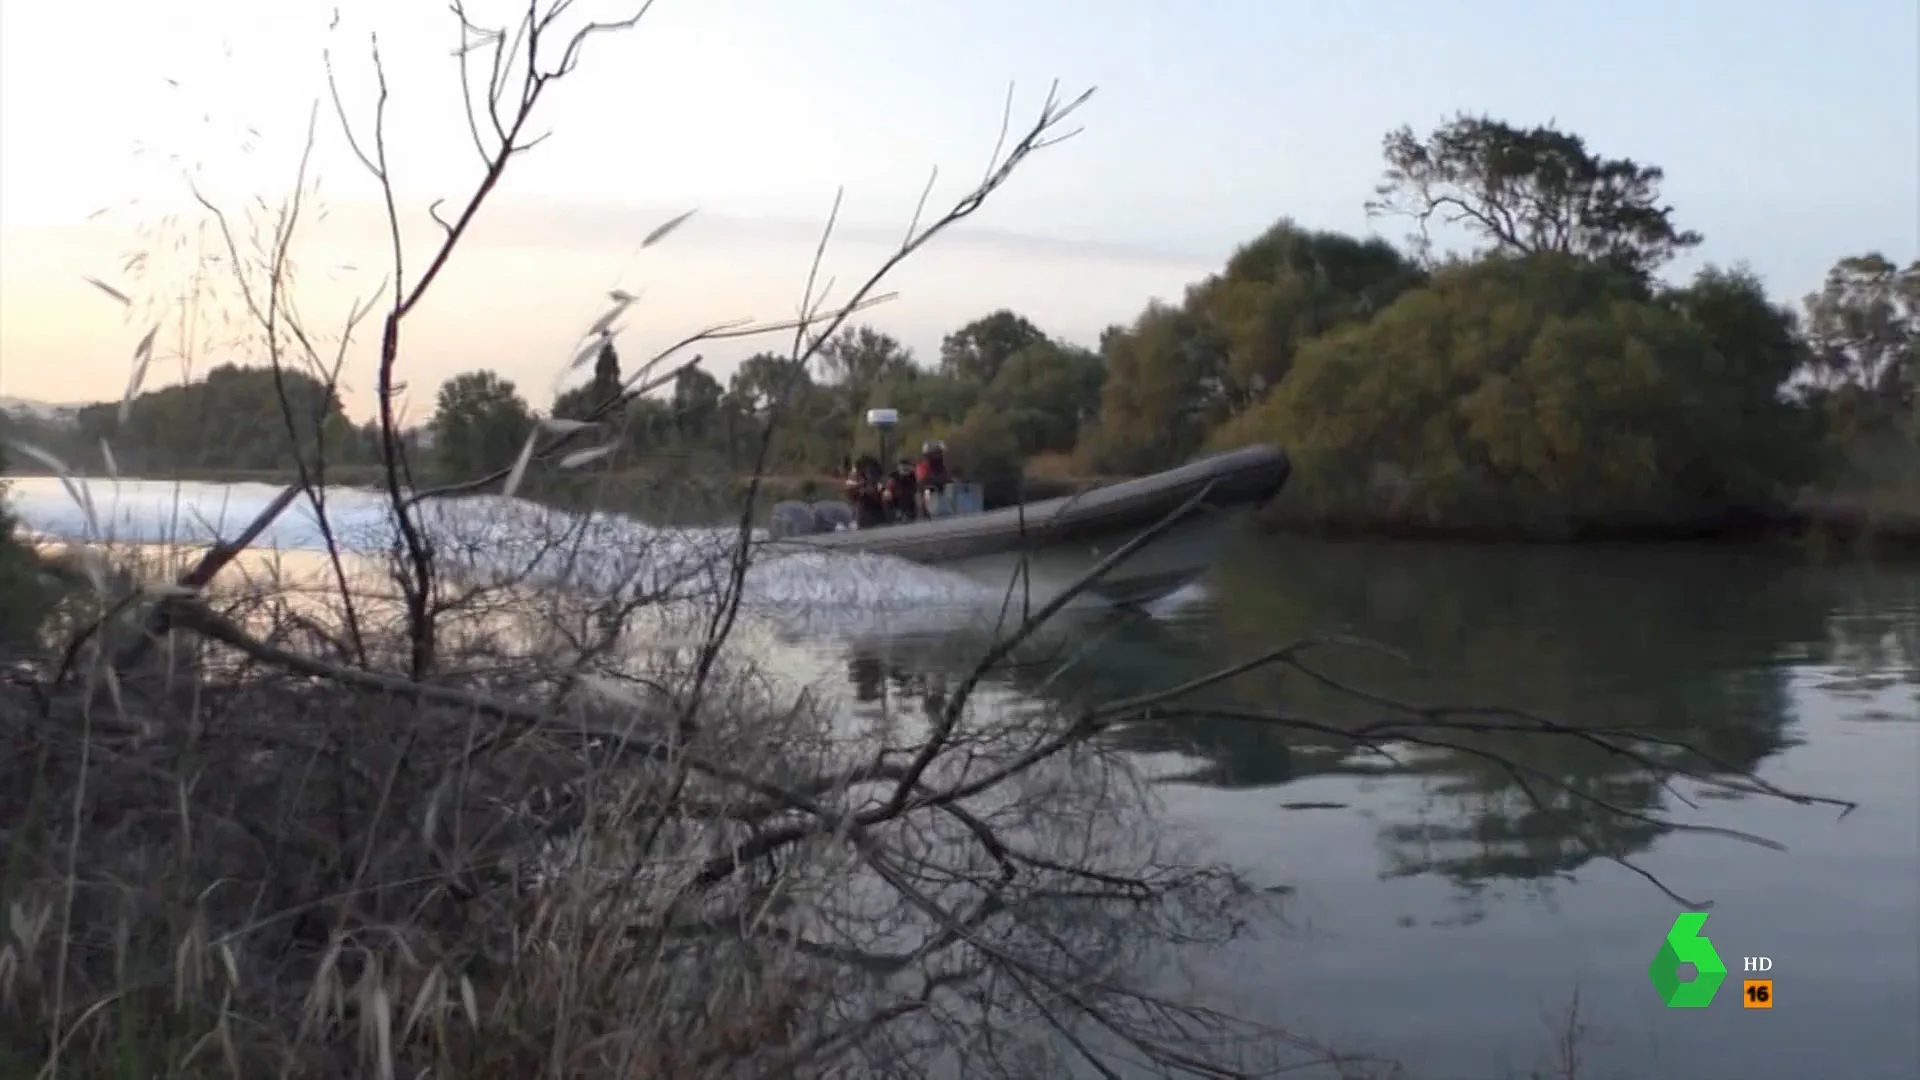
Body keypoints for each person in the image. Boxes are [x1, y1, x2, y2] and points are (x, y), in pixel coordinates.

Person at [842, 452, 887, 528]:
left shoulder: (877, 479)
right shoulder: (856, 478)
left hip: (875, 513)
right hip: (866, 514)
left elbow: (879, 488)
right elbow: (851, 490)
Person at [914, 439, 951, 517]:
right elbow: (921, 481)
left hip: (941, 496)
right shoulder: (923, 466)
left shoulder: (942, 467)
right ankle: (925, 513)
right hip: (927, 493)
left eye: (939, 453)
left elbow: (947, 479)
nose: (938, 456)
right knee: (927, 493)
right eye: (936, 453)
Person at [882, 458, 920, 523]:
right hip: (895, 505)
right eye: (903, 468)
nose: (905, 470)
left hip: (910, 505)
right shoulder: (893, 478)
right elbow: (886, 493)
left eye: (907, 468)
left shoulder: (913, 477)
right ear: (899, 468)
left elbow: (918, 490)